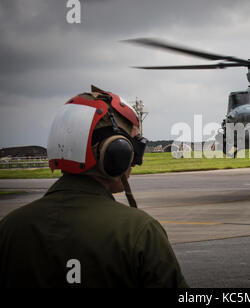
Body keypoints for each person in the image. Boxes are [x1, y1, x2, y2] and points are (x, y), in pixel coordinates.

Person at [0, 86, 188, 288]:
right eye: (135, 147)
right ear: (117, 152)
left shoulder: (10, 228)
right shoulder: (140, 232)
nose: (136, 160)